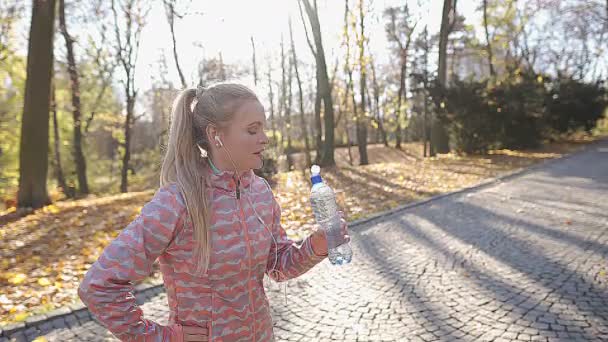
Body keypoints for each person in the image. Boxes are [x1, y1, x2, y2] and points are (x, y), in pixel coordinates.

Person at [78, 83, 350, 341]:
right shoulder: (177, 202)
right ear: (215, 135)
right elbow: (99, 287)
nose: (265, 139)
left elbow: (278, 265)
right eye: (253, 130)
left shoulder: (260, 192)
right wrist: (158, 337)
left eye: (264, 129)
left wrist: (316, 246)